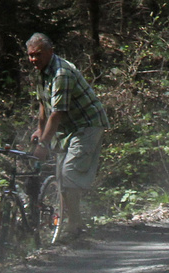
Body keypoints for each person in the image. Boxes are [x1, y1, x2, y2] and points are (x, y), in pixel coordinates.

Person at [26, 32, 107, 241]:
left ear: (50, 52)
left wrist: (44, 143)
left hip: (87, 124)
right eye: (31, 55)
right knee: (61, 176)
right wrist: (39, 130)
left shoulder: (61, 73)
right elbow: (44, 106)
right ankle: (64, 223)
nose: (34, 59)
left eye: (38, 54)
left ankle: (75, 225)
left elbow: (58, 112)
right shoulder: (42, 73)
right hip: (67, 128)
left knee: (70, 171)